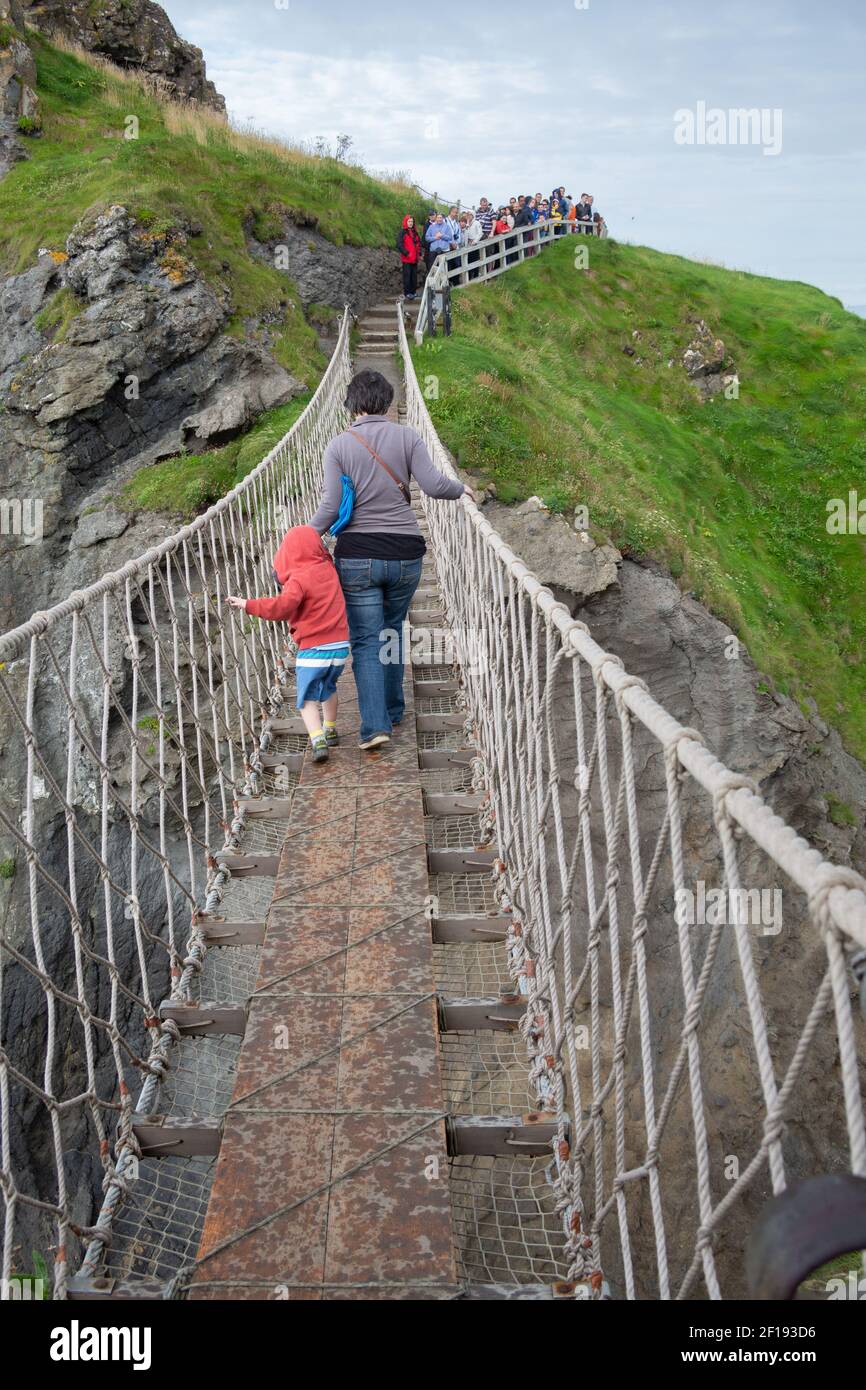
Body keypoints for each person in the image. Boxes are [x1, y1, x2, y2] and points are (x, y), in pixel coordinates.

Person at [308, 371, 477, 750]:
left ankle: (375, 727)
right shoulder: (408, 437)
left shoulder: (338, 446)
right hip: (405, 555)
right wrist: (459, 488)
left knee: (367, 641)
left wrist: (301, 537)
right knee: (393, 630)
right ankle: (394, 708)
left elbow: (331, 507)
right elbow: (434, 486)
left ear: (351, 404)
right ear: (387, 402)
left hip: (357, 559)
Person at [226, 527, 349, 764]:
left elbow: (281, 607)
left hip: (313, 650)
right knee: (329, 687)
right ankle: (331, 729)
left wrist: (247, 604)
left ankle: (317, 740)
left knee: (306, 699)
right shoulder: (329, 569)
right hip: (341, 647)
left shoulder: (298, 579)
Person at [397, 214, 422, 299]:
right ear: (406, 222)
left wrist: (419, 254)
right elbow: (399, 244)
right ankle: (407, 293)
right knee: (407, 276)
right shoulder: (402, 232)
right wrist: (406, 253)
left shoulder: (415, 232)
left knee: (414, 276)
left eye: (412, 221)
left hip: (414, 259)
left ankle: (413, 292)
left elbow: (418, 244)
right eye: (409, 221)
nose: (410, 223)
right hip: (407, 259)